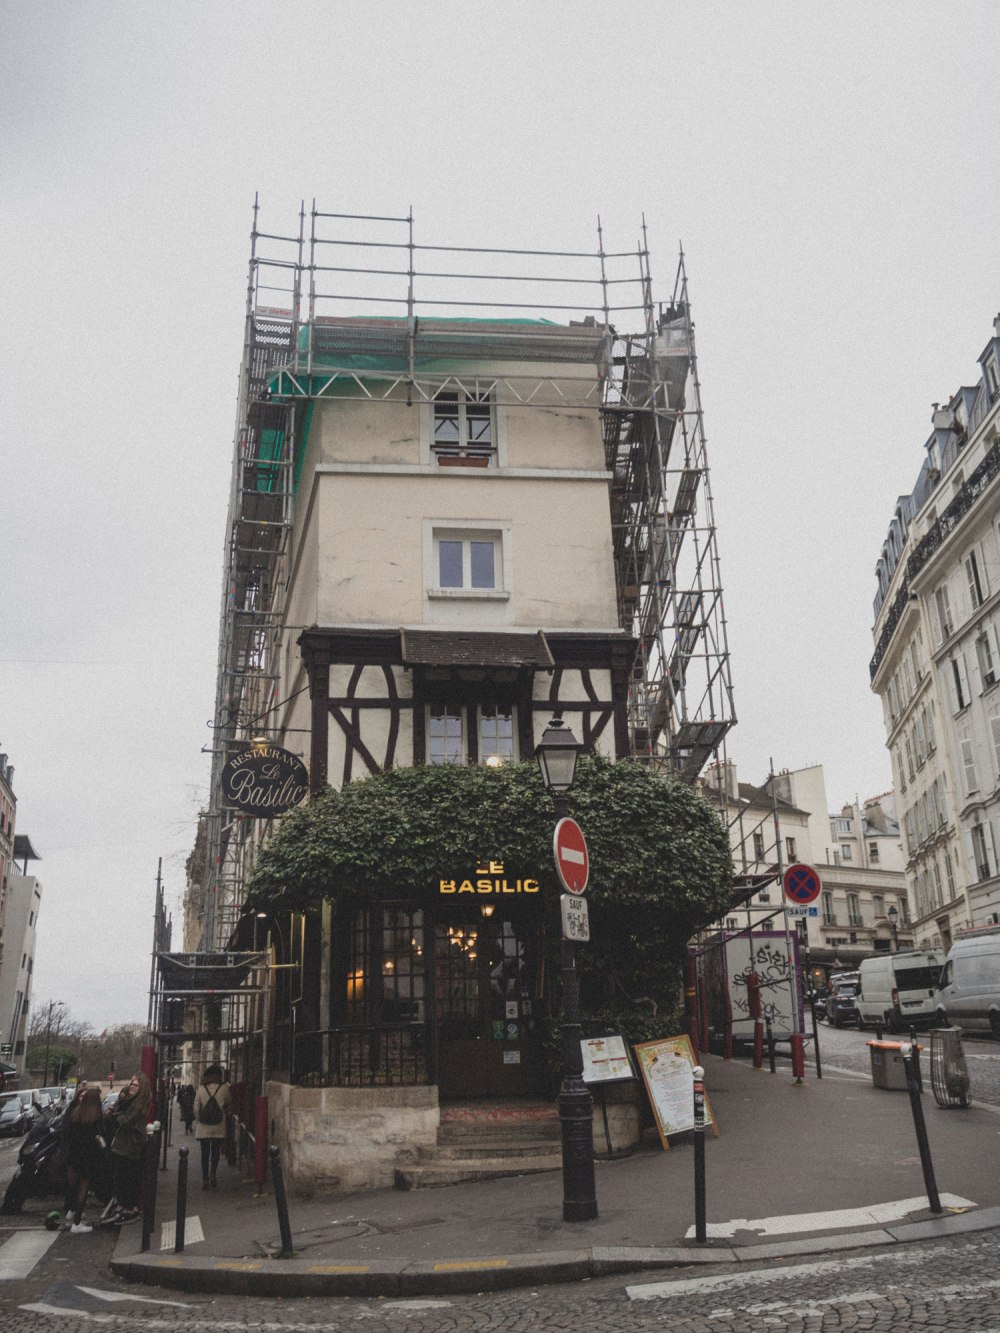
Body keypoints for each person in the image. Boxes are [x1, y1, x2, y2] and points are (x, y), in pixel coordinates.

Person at [106, 1071, 152, 1225]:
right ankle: (124, 1207)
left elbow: (126, 1121)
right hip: (126, 1144)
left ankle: (127, 1208)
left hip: (129, 1145)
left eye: (135, 1085)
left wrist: (115, 1118)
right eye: (131, 1083)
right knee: (123, 1177)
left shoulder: (138, 1103)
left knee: (126, 1178)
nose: (131, 1086)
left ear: (142, 1087)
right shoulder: (135, 1100)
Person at [62, 1086, 105, 1233]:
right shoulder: (95, 1118)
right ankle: (77, 1223)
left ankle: (72, 1212)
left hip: (74, 1156)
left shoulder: (76, 1114)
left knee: (74, 1188)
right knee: (83, 1190)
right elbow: (98, 1139)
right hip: (88, 1158)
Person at [194, 1063, 231, 1189]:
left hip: (204, 1127)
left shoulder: (200, 1089)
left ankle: (205, 1178)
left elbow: (196, 1108)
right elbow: (229, 1104)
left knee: (205, 1153)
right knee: (215, 1151)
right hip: (218, 1125)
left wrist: (200, 1119)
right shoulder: (224, 1088)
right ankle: (213, 1174)